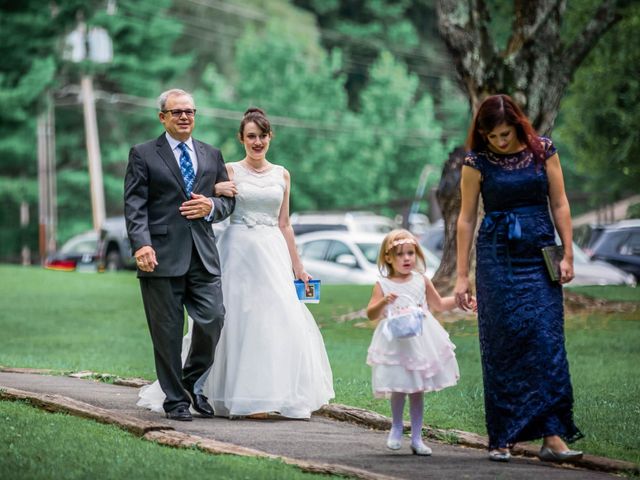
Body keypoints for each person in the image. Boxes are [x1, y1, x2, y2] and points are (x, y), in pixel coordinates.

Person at [138, 107, 334, 419]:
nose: (257, 142)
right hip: (238, 250)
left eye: (262, 136)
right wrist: (216, 190)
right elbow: (208, 197)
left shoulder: (282, 174)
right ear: (241, 139)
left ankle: (270, 394)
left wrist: (298, 266)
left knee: (276, 319)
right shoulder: (228, 169)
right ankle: (214, 390)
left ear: (271, 137)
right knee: (232, 318)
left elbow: (284, 223)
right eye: (251, 136)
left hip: (272, 252)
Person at [454, 94, 583, 462]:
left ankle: (553, 437)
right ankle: (502, 437)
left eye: (505, 134)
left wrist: (568, 253)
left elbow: (559, 203)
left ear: (518, 124)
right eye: (492, 136)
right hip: (497, 259)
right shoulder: (476, 162)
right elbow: (465, 218)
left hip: (540, 253)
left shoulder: (543, 151)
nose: (500, 141)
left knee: (547, 343)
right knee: (503, 345)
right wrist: (462, 275)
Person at [124, 88, 235, 421]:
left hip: (203, 255)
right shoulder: (143, 154)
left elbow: (228, 200)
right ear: (163, 117)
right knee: (167, 334)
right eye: (177, 112)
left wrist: (212, 205)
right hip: (159, 256)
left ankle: (188, 379)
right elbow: (134, 203)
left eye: (190, 111)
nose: (185, 117)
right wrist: (141, 244)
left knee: (213, 318)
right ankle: (175, 401)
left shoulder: (211, 154)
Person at [366, 229, 462, 456]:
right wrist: (383, 303)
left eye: (411, 253)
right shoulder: (383, 284)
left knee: (417, 389)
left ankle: (417, 438)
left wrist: (459, 300)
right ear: (388, 258)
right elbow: (371, 313)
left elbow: (438, 305)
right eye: (400, 254)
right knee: (399, 387)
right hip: (395, 342)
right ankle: (396, 427)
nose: (407, 258)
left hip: (420, 340)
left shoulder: (422, 280)